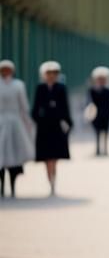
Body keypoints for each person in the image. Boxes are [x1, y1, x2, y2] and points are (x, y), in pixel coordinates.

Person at [32, 60, 71, 196]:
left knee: (55, 157)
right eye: (49, 73)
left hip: (56, 126)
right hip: (44, 127)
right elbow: (35, 108)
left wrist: (67, 123)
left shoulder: (61, 88)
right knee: (46, 157)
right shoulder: (40, 88)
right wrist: (38, 119)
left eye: (54, 73)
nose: (51, 76)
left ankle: (54, 181)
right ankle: (50, 181)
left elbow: (65, 107)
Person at [0, 59, 35, 197]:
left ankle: (13, 185)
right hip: (2, 121)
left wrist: (27, 124)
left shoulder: (18, 85)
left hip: (15, 123)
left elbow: (24, 106)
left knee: (14, 155)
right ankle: (2, 185)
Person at [87, 66, 109, 156]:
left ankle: (105, 149)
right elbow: (89, 102)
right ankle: (98, 149)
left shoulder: (108, 91)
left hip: (105, 115)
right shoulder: (92, 90)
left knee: (106, 133)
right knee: (97, 132)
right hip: (96, 115)